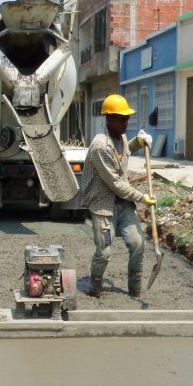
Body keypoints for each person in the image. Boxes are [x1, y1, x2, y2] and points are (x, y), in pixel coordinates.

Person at [80, 93, 158, 298]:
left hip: (123, 204)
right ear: (110, 119)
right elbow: (115, 183)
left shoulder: (121, 137)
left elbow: (124, 151)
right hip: (102, 204)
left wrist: (138, 142)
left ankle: (135, 290)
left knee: (138, 244)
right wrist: (142, 197)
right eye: (122, 119)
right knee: (104, 252)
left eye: (127, 118)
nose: (126, 122)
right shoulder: (99, 146)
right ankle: (94, 288)